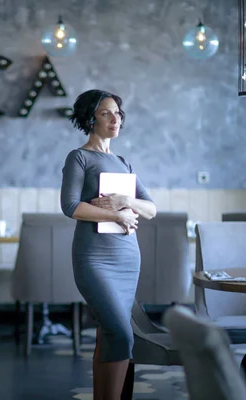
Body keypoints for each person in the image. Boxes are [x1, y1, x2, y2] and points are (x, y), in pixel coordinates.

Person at [60, 89, 157, 399]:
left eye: (118, 113)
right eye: (106, 113)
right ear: (91, 118)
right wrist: (117, 216)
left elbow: (151, 209)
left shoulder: (123, 162)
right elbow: (71, 206)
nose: (115, 118)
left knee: (109, 334)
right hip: (94, 258)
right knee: (120, 331)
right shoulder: (79, 157)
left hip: (127, 258)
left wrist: (125, 201)